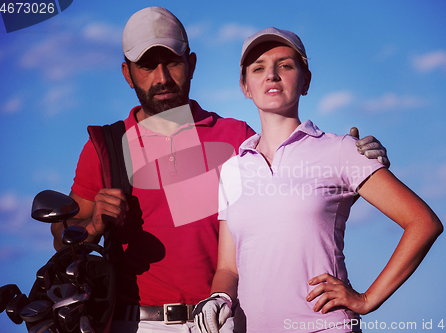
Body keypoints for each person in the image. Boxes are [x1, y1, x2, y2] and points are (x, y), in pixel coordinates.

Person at [50, 7, 389, 333]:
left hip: (225, 320)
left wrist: (353, 167)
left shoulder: (236, 137)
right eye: (147, 66)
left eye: (171, 62)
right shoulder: (106, 148)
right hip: (136, 324)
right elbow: (63, 238)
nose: (162, 77)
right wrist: (93, 225)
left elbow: (297, 191)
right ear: (127, 74)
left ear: (192, 64)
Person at [193, 28, 443, 333]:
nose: (271, 75)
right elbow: (228, 268)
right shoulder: (232, 170)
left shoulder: (341, 150)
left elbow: (423, 222)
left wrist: (367, 299)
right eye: (258, 68)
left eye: (285, 65)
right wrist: (219, 299)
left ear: (306, 81)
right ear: (245, 86)